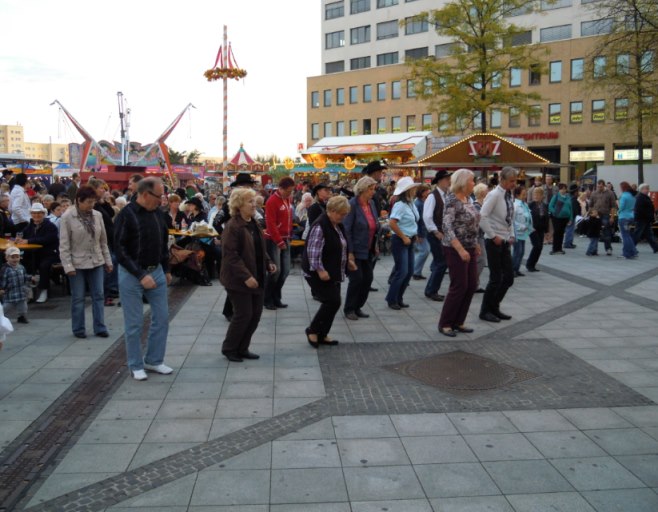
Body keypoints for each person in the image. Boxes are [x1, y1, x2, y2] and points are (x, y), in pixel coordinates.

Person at [114, 177, 173, 381]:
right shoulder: (126, 215)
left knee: (162, 318)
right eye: (159, 196)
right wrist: (140, 275)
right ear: (146, 194)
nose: (162, 200)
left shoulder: (158, 213)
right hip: (131, 274)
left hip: (156, 270)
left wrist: (166, 268)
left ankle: (154, 360)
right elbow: (119, 250)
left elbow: (162, 242)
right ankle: (136, 364)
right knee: (134, 323)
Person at [220, 188, 275, 362]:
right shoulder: (233, 226)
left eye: (254, 201)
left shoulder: (253, 222)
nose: (254, 204)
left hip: (257, 275)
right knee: (243, 315)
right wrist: (246, 276)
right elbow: (231, 255)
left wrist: (268, 262)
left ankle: (243, 347)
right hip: (238, 279)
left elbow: (259, 247)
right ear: (239, 205)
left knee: (255, 315)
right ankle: (230, 348)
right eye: (249, 201)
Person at [59, 186, 113, 338]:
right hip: (77, 262)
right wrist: (68, 266)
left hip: (96, 260)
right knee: (78, 297)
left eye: (93, 202)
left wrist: (108, 261)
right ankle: (78, 328)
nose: (91, 205)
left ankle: (100, 327)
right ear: (79, 200)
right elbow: (64, 244)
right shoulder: (67, 217)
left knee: (99, 295)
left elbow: (103, 241)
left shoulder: (97, 215)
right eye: (88, 202)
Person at [302, 196, 356, 347]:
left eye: (345, 214)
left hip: (332, 271)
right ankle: (313, 330)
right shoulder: (320, 225)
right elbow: (313, 252)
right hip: (317, 272)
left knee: (333, 302)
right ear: (332, 210)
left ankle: (322, 333)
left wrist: (348, 261)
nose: (343, 217)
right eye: (341, 213)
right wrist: (320, 270)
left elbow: (341, 245)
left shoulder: (337, 224)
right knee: (332, 301)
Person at [438, 169, 481, 337]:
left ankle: (459, 321)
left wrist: (476, 243)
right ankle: (445, 323)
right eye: (471, 180)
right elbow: (447, 227)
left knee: (471, 285)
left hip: (470, 246)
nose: (474, 183)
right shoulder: (452, 200)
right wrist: (460, 249)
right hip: (455, 248)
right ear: (463, 182)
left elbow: (473, 223)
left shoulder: (468, 199)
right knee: (459, 286)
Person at [479, 166, 517, 323]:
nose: (514, 184)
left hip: (505, 240)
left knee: (508, 277)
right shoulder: (494, 195)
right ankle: (485, 311)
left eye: (515, 181)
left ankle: (494, 307)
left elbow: (509, 218)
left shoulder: (508, 195)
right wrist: (493, 235)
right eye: (511, 181)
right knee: (495, 278)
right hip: (493, 241)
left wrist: (512, 234)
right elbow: (482, 217)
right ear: (502, 180)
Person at [342, 176, 380, 320]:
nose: (373, 192)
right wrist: (350, 252)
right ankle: (349, 308)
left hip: (368, 248)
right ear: (363, 189)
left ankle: (358, 306)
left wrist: (376, 244)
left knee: (368, 279)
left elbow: (375, 226)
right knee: (357, 279)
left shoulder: (371, 204)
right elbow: (347, 229)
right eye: (371, 189)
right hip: (356, 249)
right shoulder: (352, 204)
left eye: (373, 189)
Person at [385, 177, 420, 310]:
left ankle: (398, 298)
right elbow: (392, 223)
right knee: (402, 271)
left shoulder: (410, 203)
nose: (415, 190)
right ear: (408, 190)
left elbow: (412, 221)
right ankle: (392, 299)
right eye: (413, 188)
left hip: (409, 239)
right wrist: (403, 237)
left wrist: (414, 234)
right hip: (401, 240)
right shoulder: (400, 205)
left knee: (409, 271)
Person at [16, 203, 59, 304]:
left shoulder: (50, 226)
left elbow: (46, 239)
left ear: (43, 214)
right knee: (24, 264)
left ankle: (44, 290)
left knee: (44, 266)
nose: (36, 215)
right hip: (33, 253)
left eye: (39, 213)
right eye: (34, 213)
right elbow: (23, 235)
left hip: (49, 253)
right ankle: (29, 290)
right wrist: (19, 239)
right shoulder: (29, 226)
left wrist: (28, 241)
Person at [263, 177, 295, 310]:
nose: (290, 193)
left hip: (285, 238)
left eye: (291, 191)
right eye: (288, 191)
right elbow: (270, 224)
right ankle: (267, 299)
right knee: (275, 271)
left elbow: (288, 219)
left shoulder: (287, 199)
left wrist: (289, 234)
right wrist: (279, 241)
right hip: (274, 240)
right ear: (280, 188)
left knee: (285, 271)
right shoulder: (272, 201)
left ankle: (276, 297)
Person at [423, 170, 451, 302]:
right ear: (439, 181)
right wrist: (435, 231)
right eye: (446, 179)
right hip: (436, 234)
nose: (449, 182)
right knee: (441, 262)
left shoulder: (446, 195)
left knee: (440, 262)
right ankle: (432, 290)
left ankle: (431, 289)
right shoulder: (432, 196)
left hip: (442, 233)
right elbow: (427, 216)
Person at [0, 246, 37, 324]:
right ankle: (1, 316)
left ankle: (21, 317)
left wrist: (30, 278)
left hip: (20, 292)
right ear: (7, 258)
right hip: (10, 293)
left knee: (23, 307)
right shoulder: (5, 269)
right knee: (5, 307)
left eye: (17, 257)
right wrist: (1, 288)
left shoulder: (21, 267)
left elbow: (24, 276)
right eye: (12, 257)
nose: (15, 259)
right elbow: (2, 279)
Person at [589, 179, 617, 256]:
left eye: (601, 187)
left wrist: (612, 217)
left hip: (605, 214)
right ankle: (594, 249)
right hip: (596, 215)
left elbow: (613, 206)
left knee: (606, 232)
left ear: (604, 185)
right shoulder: (594, 193)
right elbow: (590, 205)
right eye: (598, 186)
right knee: (595, 233)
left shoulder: (610, 193)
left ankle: (608, 248)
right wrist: (592, 212)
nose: (599, 188)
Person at [526, 187, 549, 272]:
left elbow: (546, 218)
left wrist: (547, 231)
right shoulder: (530, 205)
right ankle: (529, 264)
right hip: (532, 228)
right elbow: (527, 217)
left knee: (540, 247)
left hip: (541, 228)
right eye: (535, 194)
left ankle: (533, 264)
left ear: (542, 196)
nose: (536, 196)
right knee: (536, 246)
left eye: (538, 194)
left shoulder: (544, 205)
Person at [512, 186, 532, 277]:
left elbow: (528, 217)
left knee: (522, 252)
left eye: (525, 194)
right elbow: (512, 220)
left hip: (523, 232)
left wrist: (530, 227)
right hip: (517, 232)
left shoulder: (525, 204)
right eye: (523, 194)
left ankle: (516, 269)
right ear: (517, 195)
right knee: (518, 251)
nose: (525, 196)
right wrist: (521, 226)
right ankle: (512, 269)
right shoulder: (515, 205)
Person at [472, 183, 489, 292]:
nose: (488, 193)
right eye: (487, 191)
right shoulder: (476, 206)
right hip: (477, 236)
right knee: (481, 260)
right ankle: (472, 282)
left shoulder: (482, 205)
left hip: (481, 236)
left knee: (479, 260)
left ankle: (475, 284)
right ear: (483, 193)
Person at [412, 184, 431, 280]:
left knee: (425, 251)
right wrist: (418, 234)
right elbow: (417, 220)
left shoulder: (422, 202)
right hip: (421, 232)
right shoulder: (418, 203)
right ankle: (415, 271)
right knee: (424, 251)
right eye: (427, 191)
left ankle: (417, 271)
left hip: (424, 231)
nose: (428, 192)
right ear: (422, 192)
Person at [633, 183, 658, 253]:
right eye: (646, 189)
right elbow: (639, 209)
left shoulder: (644, 197)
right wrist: (648, 215)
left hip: (645, 219)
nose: (648, 190)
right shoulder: (640, 197)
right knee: (637, 234)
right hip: (641, 219)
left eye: (648, 188)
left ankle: (656, 248)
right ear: (641, 189)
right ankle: (631, 248)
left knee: (649, 234)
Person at [548, 183, 573, 255]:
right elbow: (550, 206)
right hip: (557, 218)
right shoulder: (556, 196)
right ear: (559, 189)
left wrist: (571, 218)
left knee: (561, 233)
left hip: (565, 218)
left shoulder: (568, 197)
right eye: (562, 189)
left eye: (565, 189)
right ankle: (555, 249)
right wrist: (555, 212)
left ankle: (559, 248)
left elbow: (571, 208)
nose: (563, 190)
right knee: (557, 232)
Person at [617, 181, 638, 259]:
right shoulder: (632, 196)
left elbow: (621, 207)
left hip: (623, 217)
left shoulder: (623, 196)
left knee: (625, 236)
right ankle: (633, 252)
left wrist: (618, 211)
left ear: (623, 188)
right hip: (631, 216)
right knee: (628, 235)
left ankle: (627, 253)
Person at [563, 184, 581, 249]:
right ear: (575, 192)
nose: (578, 192)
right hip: (571, 216)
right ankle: (568, 243)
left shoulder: (567, 197)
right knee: (570, 230)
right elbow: (574, 209)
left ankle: (569, 242)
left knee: (569, 229)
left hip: (567, 216)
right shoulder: (573, 199)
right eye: (577, 191)